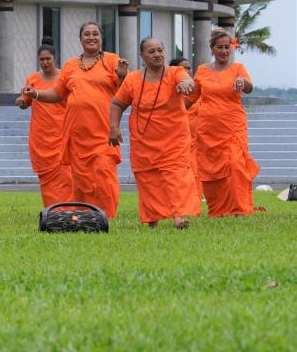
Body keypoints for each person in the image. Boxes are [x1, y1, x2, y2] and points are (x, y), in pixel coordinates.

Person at [21, 22, 129, 218]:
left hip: (104, 132)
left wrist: (122, 77)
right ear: (80, 39)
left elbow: (124, 94)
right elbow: (58, 93)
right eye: (86, 34)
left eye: (95, 34)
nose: (91, 37)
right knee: (82, 180)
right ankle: (85, 216)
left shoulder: (112, 60)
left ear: (101, 37)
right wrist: (36, 93)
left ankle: (106, 216)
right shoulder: (71, 65)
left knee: (103, 175)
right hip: (77, 135)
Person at [109, 37, 201, 228]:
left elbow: (186, 80)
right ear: (142, 56)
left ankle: (179, 217)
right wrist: (114, 127)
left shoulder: (175, 71)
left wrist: (185, 84)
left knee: (176, 176)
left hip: (174, 138)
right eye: (151, 52)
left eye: (160, 50)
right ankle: (153, 219)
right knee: (148, 179)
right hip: (144, 140)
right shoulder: (133, 78)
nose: (157, 54)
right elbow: (118, 103)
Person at [185, 27, 259, 217]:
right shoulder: (202, 70)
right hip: (208, 129)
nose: (224, 51)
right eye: (220, 47)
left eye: (227, 47)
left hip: (233, 126)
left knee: (236, 165)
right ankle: (218, 210)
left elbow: (249, 88)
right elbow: (191, 98)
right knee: (211, 169)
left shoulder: (238, 69)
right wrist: (167, 110)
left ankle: (240, 209)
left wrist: (243, 81)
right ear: (212, 48)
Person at [15, 38, 74, 207]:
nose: (45, 62)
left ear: (55, 58)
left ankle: (69, 208)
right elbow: (25, 102)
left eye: (48, 58)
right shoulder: (33, 78)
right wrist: (21, 101)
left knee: (66, 173)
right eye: (42, 59)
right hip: (41, 135)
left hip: (62, 133)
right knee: (46, 176)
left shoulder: (64, 77)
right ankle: (53, 209)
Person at [170, 56, 203, 199]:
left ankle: (195, 198)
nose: (187, 71)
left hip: (196, 142)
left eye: (189, 68)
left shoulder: (196, 92)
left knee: (195, 169)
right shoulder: (170, 91)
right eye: (184, 68)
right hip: (177, 141)